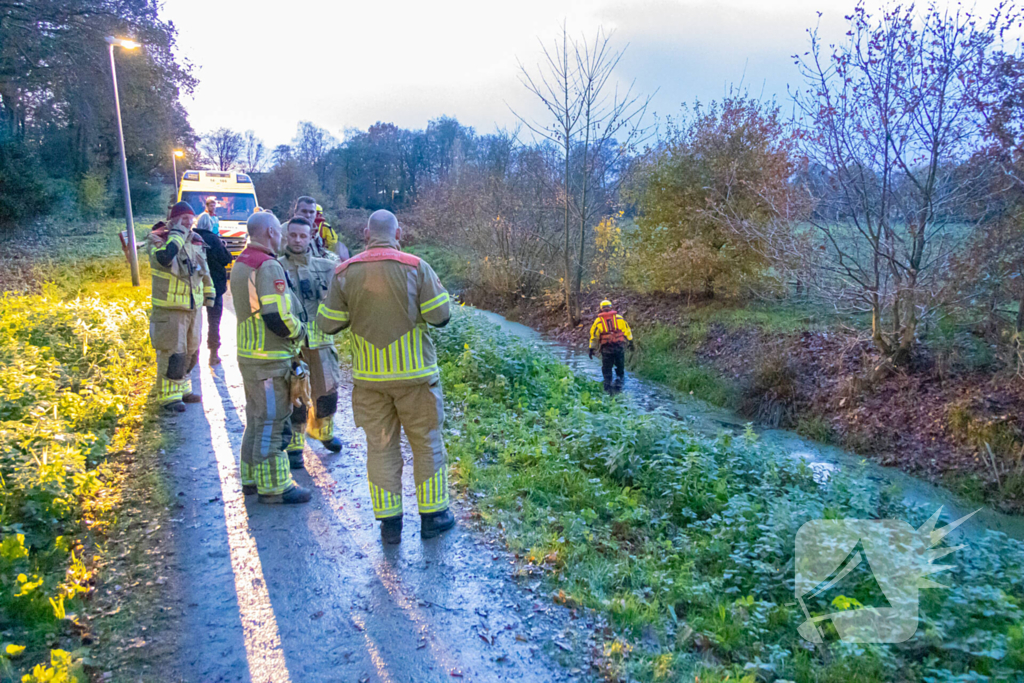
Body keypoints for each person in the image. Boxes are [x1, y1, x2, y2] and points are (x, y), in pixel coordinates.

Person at [317, 209, 453, 543]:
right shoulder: (416, 266)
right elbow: (441, 316)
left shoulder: (344, 272)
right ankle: (433, 516)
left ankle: (389, 524)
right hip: (416, 377)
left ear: (366, 235)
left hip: (369, 379)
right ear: (399, 232)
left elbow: (327, 322)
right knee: (426, 443)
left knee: (380, 448)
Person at [229, 211, 312, 504]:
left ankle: (252, 478)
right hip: (269, 358)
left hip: (250, 356)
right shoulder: (268, 266)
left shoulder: (242, 263)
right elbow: (276, 315)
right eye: (279, 231)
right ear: (270, 233)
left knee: (255, 418)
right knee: (273, 421)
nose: (281, 235)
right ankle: (275, 486)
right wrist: (300, 331)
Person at [278, 216, 344, 468]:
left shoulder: (326, 265)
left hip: (323, 339)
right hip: (292, 343)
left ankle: (324, 434)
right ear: (286, 236)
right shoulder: (276, 266)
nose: (297, 240)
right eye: (293, 235)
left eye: (302, 236)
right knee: (296, 392)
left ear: (310, 237)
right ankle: (295, 445)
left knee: (327, 389)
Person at [147, 201, 215, 412]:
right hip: (170, 309)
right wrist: (177, 234)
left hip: (193, 308)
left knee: (191, 351)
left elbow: (204, 271)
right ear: (174, 220)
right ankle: (168, 397)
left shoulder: (195, 241)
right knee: (173, 353)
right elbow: (165, 258)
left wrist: (209, 294)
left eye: (190, 218)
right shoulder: (159, 239)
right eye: (183, 218)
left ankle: (183, 390)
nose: (188, 222)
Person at [193, 212, 233, 365]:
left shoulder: (191, 238)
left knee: (194, 321)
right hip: (215, 286)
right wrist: (224, 247)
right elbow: (226, 259)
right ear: (210, 225)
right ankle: (213, 354)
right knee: (214, 320)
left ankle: (194, 354)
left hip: (195, 285)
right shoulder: (214, 239)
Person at [588, 299, 634, 393]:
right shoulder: (619, 318)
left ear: (601, 309)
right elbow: (627, 331)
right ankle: (619, 388)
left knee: (607, 370)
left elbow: (594, 337)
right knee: (620, 369)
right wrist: (631, 342)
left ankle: (607, 390)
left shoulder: (598, 321)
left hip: (607, 350)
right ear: (611, 307)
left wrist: (591, 349)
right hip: (619, 348)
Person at [293, 196, 349, 260]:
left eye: (312, 212)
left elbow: (322, 252)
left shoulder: (315, 231)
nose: (308, 215)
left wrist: (336, 259)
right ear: (295, 212)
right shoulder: (285, 231)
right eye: (304, 211)